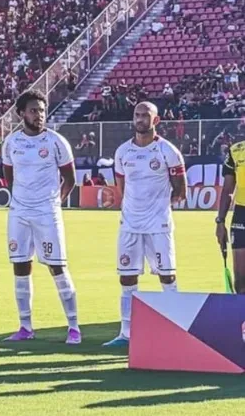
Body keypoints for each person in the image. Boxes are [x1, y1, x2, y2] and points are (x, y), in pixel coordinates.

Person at [1, 91, 80, 344]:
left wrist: (55, 202)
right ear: (22, 113)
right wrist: (20, 201)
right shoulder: (11, 143)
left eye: (42, 110)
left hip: (47, 213)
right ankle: (25, 326)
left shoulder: (56, 141)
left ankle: (74, 326)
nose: (40, 115)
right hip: (19, 213)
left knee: (57, 267)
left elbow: (70, 179)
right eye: (34, 110)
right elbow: (10, 177)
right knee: (20, 266)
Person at [106, 102, 186, 347]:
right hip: (130, 225)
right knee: (127, 278)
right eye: (137, 115)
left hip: (158, 225)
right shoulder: (122, 152)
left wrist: (158, 207)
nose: (140, 119)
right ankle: (126, 333)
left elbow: (180, 190)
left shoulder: (167, 151)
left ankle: (178, 329)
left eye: (145, 116)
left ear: (156, 120)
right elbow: (122, 187)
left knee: (167, 276)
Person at [218, 139, 245, 295]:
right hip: (242, 215)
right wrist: (220, 221)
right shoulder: (236, 150)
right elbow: (228, 188)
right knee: (240, 283)